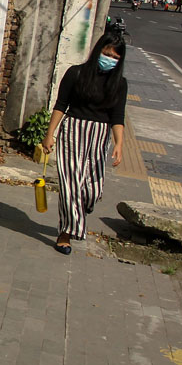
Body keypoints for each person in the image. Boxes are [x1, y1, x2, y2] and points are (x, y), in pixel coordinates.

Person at [39, 33, 127, 255]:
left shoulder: (119, 84)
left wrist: (119, 144)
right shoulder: (76, 73)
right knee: (70, 185)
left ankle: (77, 211)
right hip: (72, 132)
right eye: (106, 54)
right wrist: (50, 134)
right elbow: (61, 105)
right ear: (98, 51)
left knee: (92, 189)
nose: (109, 59)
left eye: (114, 57)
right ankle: (66, 234)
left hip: (98, 137)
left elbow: (118, 116)